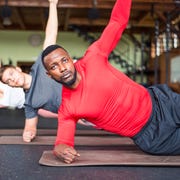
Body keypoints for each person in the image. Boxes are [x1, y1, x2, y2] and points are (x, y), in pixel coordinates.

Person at [40, 0, 180, 164]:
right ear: (49, 75)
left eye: (64, 60)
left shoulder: (94, 57)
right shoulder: (68, 108)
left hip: (162, 103)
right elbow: (63, 141)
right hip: (151, 136)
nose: (63, 68)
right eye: (54, 66)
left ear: (71, 59)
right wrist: (60, 150)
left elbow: (117, 22)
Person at [0, 0, 93, 142]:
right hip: (85, 114)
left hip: (90, 92)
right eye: (9, 81)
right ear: (11, 86)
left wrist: (52, 4)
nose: (12, 79)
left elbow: (50, 35)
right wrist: (28, 134)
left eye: (11, 74)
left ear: (17, 69)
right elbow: (30, 127)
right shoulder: (29, 103)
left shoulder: (41, 64)